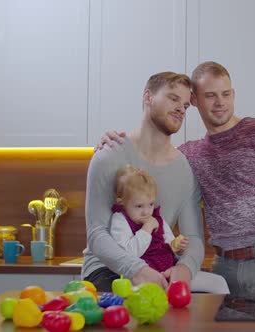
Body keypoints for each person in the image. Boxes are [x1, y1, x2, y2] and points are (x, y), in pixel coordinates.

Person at [97, 61, 255, 295]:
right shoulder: (190, 154)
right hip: (225, 268)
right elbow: (143, 178)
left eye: (226, 94)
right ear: (194, 101)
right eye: (211, 96)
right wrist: (115, 143)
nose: (220, 102)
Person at [82, 71, 212, 292]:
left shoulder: (185, 169)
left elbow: (193, 238)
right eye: (173, 98)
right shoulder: (109, 155)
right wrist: (137, 270)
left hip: (160, 266)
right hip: (107, 270)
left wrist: (185, 269)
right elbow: (97, 234)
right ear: (148, 97)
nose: (181, 108)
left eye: (185, 105)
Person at [110, 164, 228, 293]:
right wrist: (147, 228)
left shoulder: (157, 218)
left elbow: (169, 245)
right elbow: (128, 254)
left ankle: (226, 313)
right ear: (121, 202)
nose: (146, 212)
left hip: (168, 273)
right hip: (140, 279)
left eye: (150, 204)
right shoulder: (120, 220)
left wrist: (176, 247)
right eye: (139, 206)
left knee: (218, 283)